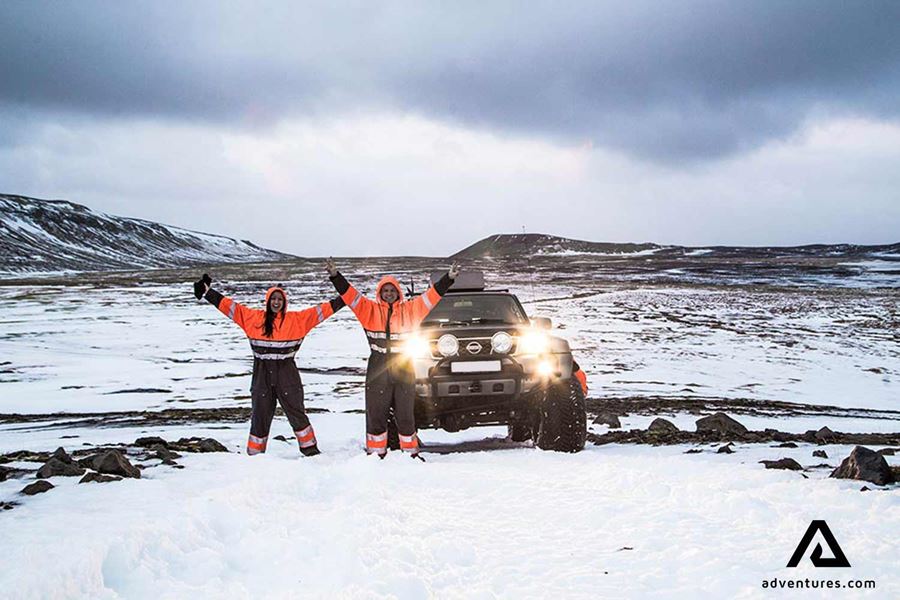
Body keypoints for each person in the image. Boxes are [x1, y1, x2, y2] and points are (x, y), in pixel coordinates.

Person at [193, 273, 344, 456]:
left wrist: (346, 297)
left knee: (297, 413)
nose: (276, 302)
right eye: (273, 299)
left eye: (280, 299)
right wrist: (208, 293)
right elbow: (230, 308)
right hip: (262, 374)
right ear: (268, 301)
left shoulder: (297, 320)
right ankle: (255, 456)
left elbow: (321, 312)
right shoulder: (252, 318)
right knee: (260, 416)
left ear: (285, 302)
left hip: (287, 374)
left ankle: (310, 451)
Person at [325, 259, 460, 459]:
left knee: (405, 413)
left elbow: (431, 297)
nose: (389, 294)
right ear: (380, 293)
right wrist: (336, 276)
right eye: (385, 291)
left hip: (403, 364)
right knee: (376, 412)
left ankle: (410, 454)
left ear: (398, 292)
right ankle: (376, 454)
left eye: (392, 291)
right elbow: (350, 295)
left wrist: (448, 279)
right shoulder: (368, 309)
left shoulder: (411, 309)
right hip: (378, 365)